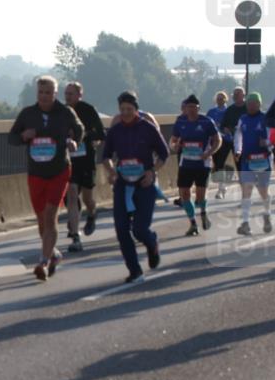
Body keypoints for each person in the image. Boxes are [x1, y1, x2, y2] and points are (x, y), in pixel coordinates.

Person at [9, 76, 84, 281]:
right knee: (41, 219)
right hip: (36, 172)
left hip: (59, 170)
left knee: (50, 216)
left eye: (48, 93)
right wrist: (24, 135)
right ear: (37, 93)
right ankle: (54, 254)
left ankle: (42, 261)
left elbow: (79, 129)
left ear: (55, 93)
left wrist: (73, 141)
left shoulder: (65, 112)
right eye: (41, 92)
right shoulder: (28, 114)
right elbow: (11, 137)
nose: (44, 96)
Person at [102, 91, 169, 283]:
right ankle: (134, 269)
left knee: (139, 229)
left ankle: (152, 243)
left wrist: (152, 172)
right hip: (123, 185)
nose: (125, 113)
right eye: (122, 110)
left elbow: (164, 153)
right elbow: (105, 156)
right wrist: (111, 172)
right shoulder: (115, 130)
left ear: (136, 110)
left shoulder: (147, 128)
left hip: (144, 185)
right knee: (122, 229)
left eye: (129, 110)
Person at [170, 94, 221, 236]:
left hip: (203, 163)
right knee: (184, 193)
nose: (191, 110)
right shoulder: (180, 121)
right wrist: (174, 146)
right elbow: (173, 141)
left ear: (198, 108)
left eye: (194, 107)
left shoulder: (207, 122)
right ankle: (193, 223)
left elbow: (218, 140)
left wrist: (209, 152)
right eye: (189, 107)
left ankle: (203, 213)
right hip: (185, 162)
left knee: (199, 196)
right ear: (185, 108)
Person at [63, 81, 106, 251]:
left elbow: (101, 133)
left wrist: (83, 135)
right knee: (72, 194)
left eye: (71, 94)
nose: (67, 97)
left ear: (80, 95)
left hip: (86, 160)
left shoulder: (88, 110)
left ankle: (92, 214)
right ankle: (75, 236)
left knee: (87, 197)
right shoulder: (61, 112)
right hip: (69, 160)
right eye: (66, 93)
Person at [233, 92, 273, 235]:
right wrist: (238, 150)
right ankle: (245, 223)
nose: (250, 106)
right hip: (247, 160)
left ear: (259, 104)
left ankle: (267, 214)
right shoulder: (242, 119)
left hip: (263, 159)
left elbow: (272, 138)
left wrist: (267, 142)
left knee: (263, 190)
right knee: (246, 190)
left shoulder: (266, 119)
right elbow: (238, 135)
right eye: (248, 103)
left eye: (253, 103)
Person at [217, 87, 248, 199]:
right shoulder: (230, 109)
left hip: (241, 143)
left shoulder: (248, 108)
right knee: (219, 162)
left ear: (243, 95)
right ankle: (221, 187)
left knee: (241, 168)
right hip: (228, 140)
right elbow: (223, 125)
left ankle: (245, 194)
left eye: (237, 94)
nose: (235, 96)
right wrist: (225, 129)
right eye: (234, 94)